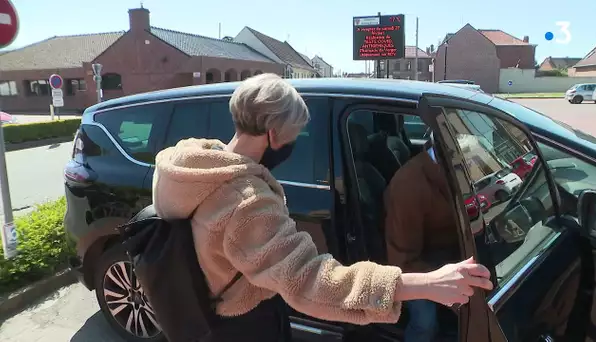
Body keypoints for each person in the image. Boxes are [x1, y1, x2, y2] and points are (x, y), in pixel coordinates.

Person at [152, 73, 493, 341]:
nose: (293, 143)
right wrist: (428, 284)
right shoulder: (247, 203)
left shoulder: (195, 168)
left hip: (207, 312)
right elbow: (311, 281)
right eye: (294, 135)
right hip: (242, 326)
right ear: (272, 133)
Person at [384, 133, 462, 342]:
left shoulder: (457, 168)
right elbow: (403, 258)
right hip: (411, 264)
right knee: (425, 322)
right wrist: (444, 288)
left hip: (447, 249)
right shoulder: (408, 186)